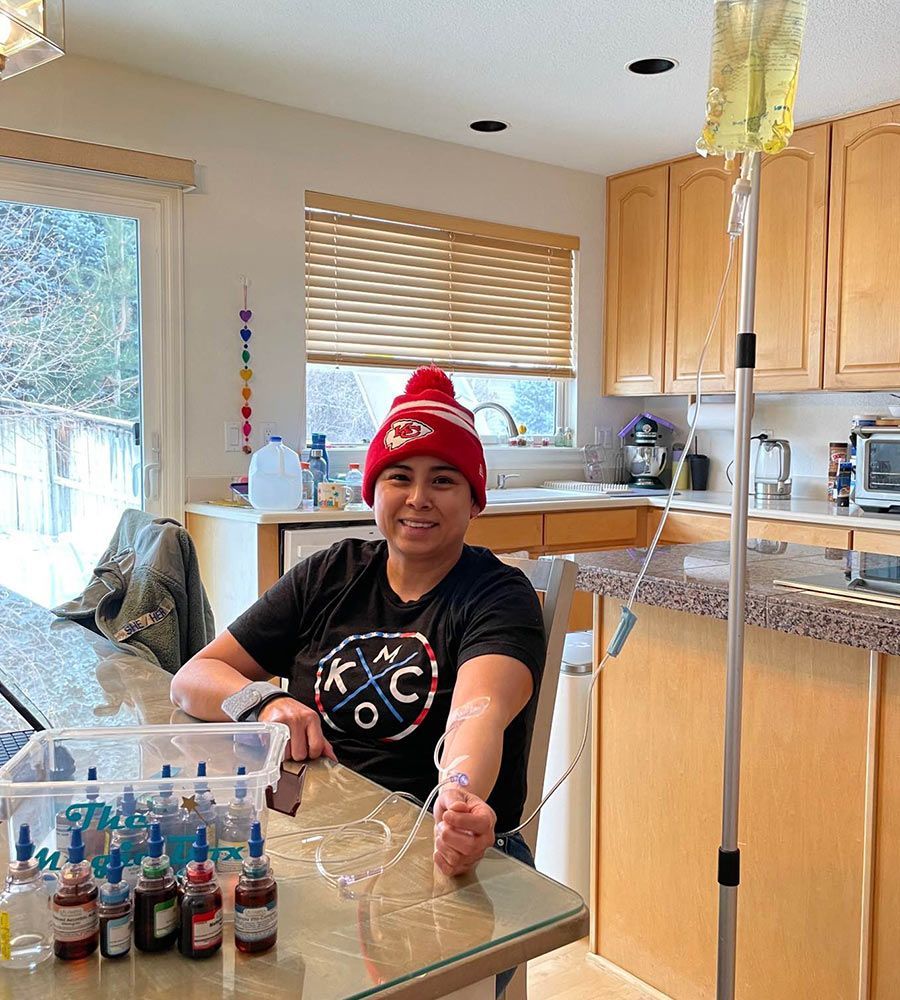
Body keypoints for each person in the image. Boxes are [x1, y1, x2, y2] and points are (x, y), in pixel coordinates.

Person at [170, 366, 546, 890]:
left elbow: (477, 714)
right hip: (309, 835)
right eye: (399, 477)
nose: (418, 498)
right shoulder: (330, 573)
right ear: (373, 492)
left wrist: (460, 797)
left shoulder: (499, 595)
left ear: (474, 500)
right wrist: (263, 703)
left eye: (443, 479)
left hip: (440, 846)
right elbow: (193, 678)